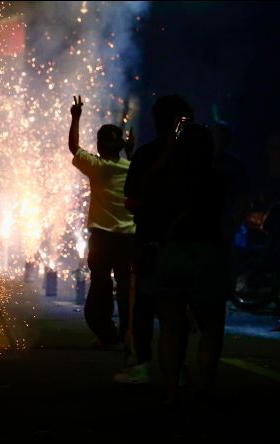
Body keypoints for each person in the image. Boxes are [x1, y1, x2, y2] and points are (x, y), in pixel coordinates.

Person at [146, 122, 228, 406]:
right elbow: (226, 219)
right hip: (207, 252)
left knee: (170, 326)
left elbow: (146, 189)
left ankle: (171, 391)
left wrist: (169, 150)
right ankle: (205, 386)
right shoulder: (217, 179)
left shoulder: (166, 179)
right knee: (212, 325)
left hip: (171, 252)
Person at [115, 95, 194, 385]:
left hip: (151, 243)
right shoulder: (193, 157)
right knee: (176, 311)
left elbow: (132, 199)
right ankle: (177, 368)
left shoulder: (148, 155)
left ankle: (143, 363)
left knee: (145, 308)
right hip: (182, 242)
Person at [68, 95, 136, 348]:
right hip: (129, 237)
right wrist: (131, 152)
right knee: (127, 284)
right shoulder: (131, 168)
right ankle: (128, 332)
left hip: (102, 237)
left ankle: (105, 332)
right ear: (120, 147)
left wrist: (75, 117)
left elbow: (74, 148)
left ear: (98, 147)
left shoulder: (97, 166)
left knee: (100, 284)